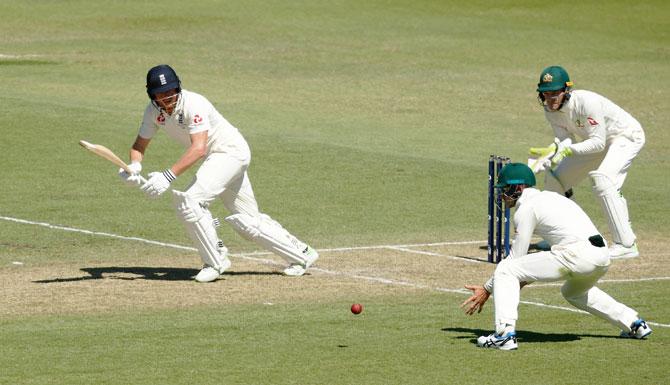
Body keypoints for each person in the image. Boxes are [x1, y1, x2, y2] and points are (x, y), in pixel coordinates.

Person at [118, 64, 319, 282]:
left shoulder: (193, 103)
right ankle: (302, 254)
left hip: (229, 153)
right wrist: (134, 166)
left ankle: (215, 260)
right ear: (152, 95)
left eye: (171, 91)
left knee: (189, 202)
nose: (168, 98)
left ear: (178, 88)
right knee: (248, 223)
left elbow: (199, 147)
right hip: (219, 158)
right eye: (161, 94)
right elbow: (139, 146)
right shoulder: (152, 112)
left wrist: (167, 177)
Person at [461, 163, 651, 350]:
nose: (501, 196)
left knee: (506, 269)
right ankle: (634, 324)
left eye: (504, 189)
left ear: (518, 188)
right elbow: (534, 266)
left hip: (577, 255)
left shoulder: (526, 208)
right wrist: (522, 278)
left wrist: (486, 289)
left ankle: (504, 335)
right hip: (601, 256)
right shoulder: (552, 198)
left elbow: (515, 259)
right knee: (573, 292)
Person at [529, 65, 645, 259]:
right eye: (545, 94)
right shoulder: (551, 111)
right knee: (556, 179)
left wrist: (567, 149)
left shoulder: (587, 102)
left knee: (603, 179)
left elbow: (598, 143)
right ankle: (566, 238)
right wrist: (553, 151)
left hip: (625, 136)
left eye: (554, 93)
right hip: (595, 141)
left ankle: (626, 244)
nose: (550, 99)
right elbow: (567, 141)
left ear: (566, 90)